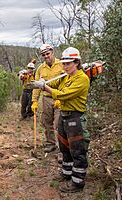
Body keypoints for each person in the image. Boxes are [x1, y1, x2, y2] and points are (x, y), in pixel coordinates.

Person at [29, 47, 90, 193]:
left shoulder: (81, 79)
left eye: (68, 63)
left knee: (77, 150)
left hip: (75, 118)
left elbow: (62, 94)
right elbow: (55, 84)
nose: (65, 66)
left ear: (76, 62)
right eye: (64, 63)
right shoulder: (67, 76)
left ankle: (77, 181)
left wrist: (45, 87)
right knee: (64, 147)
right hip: (64, 116)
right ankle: (67, 173)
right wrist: (42, 83)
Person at [32, 44, 64, 153]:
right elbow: (36, 86)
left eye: (47, 54)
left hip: (60, 98)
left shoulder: (62, 65)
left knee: (59, 124)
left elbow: (67, 82)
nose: (46, 56)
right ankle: (50, 143)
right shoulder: (40, 69)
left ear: (52, 52)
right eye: (43, 55)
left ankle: (62, 149)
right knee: (47, 122)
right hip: (46, 98)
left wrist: (61, 98)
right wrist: (34, 101)